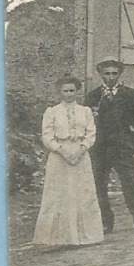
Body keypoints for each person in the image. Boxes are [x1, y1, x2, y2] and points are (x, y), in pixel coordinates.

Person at [33, 75, 104, 248]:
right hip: (59, 156)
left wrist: (81, 150)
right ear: (60, 92)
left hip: (81, 154)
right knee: (59, 193)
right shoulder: (52, 112)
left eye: (72, 90)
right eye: (65, 91)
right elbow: (47, 136)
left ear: (77, 91)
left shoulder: (85, 111)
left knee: (82, 192)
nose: (69, 94)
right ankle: (57, 238)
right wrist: (62, 152)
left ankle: (87, 236)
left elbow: (91, 133)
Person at [85, 57, 134, 233]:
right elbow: (83, 121)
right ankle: (105, 222)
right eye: (107, 73)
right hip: (100, 147)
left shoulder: (129, 94)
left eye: (114, 74)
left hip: (123, 146)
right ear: (100, 74)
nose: (110, 77)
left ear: (119, 75)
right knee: (99, 185)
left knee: (130, 183)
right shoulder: (93, 96)